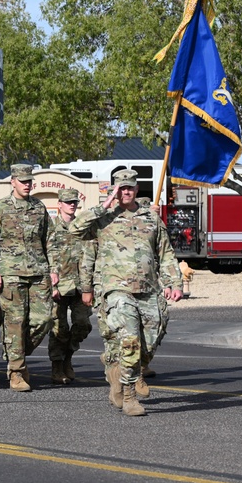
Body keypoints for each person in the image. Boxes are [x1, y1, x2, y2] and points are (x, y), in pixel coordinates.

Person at [70, 169, 183, 416]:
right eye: (121, 188)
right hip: (116, 290)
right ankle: (129, 397)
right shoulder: (104, 218)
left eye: (129, 188)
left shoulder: (150, 218)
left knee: (149, 342)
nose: (125, 192)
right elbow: (75, 229)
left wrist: (175, 283)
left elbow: (165, 254)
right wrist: (104, 205)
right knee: (129, 341)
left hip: (148, 289)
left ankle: (117, 373)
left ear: (136, 189)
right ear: (115, 190)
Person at [0, 164, 57, 392]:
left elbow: (50, 238)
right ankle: (16, 370)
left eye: (29, 181)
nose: (27, 185)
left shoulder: (39, 207)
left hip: (38, 272)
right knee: (15, 323)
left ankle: (17, 353)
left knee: (43, 320)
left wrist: (53, 268)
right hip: (10, 274)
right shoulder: (0, 208)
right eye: (23, 181)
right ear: (12, 182)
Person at [46, 188, 92, 384]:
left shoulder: (83, 228)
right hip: (60, 286)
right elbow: (46, 255)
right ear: (60, 204)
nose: (72, 205)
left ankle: (68, 356)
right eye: (68, 202)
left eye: (74, 202)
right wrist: (51, 285)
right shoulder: (52, 227)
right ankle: (57, 366)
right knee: (59, 328)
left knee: (83, 324)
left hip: (81, 285)